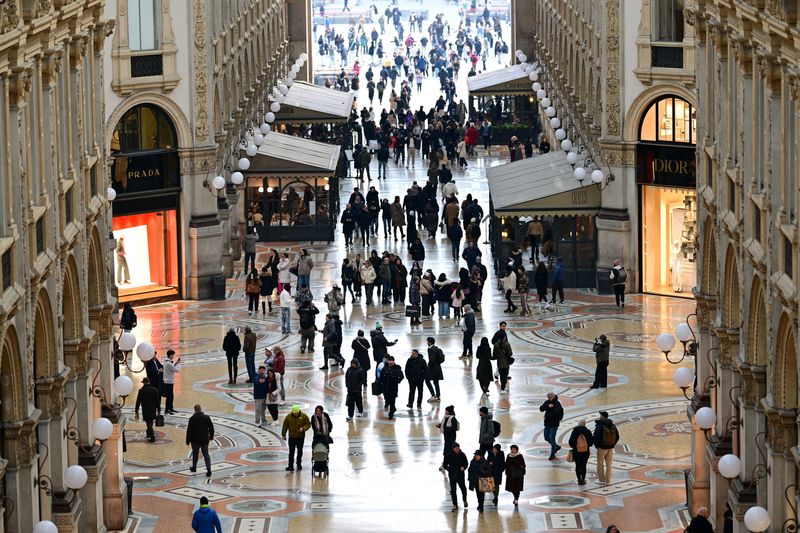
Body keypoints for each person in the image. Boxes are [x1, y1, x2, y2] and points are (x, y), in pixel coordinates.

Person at [186, 404, 214, 477]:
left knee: (195, 454)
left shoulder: (192, 419)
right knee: (206, 454)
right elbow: (211, 428)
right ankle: (209, 470)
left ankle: (194, 468)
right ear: (200, 409)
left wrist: (188, 440)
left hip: (195, 440)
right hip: (204, 439)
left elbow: (189, 431)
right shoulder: (206, 417)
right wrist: (211, 436)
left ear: (195, 410)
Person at [281, 405, 311, 472]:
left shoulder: (304, 416)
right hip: (292, 437)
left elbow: (308, 424)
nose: (296, 414)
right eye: (294, 413)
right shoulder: (288, 416)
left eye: (297, 413)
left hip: (300, 437)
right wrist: (283, 434)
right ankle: (290, 466)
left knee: (299, 451)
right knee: (291, 452)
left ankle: (299, 464)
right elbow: (285, 425)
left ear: (299, 411)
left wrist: (303, 429)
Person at [594, 410, 620, 484]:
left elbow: (596, 437)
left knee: (600, 463)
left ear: (602, 416)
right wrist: (612, 444)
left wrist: (597, 446)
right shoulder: (613, 425)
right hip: (611, 447)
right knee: (609, 464)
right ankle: (608, 480)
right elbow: (617, 436)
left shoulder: (599, 426)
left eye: (600, 415)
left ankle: (601, 480)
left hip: (602, 448)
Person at [443, 442, 469, 511]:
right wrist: (449, 470)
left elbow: (466, 463)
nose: (457, 449)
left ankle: (464, 500)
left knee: (463, 488)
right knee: (453, 491)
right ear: (453, 449)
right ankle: (455, 505)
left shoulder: (462, 455)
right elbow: (445, 465)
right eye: (455, 448)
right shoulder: (448, 455)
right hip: (452, 475)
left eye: (458, 447)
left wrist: (464, 467)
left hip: (460, 475)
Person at [567, 419, 594, 485]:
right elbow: (591, 443)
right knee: (584, 465)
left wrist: (576, 446)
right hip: (585, 451)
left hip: (576, 451)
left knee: (578, 465)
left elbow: (571, 443)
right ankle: (583, 479)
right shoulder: (588, 431)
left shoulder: (575, 431)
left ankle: (579, 479)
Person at [134, 377, 160, 443]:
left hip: (145, 409)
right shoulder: (154, 390)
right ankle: (148, 432)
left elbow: (138, 402)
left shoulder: (141, 391)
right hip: (153, 409)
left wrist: (136, 410)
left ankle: (152, 437)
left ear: (143, 383)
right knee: (150, 422)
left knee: (148, 422)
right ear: (149, 382)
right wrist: (159, 410)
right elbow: (157, 401)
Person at [539, 392, 564, 460]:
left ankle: (552, 454)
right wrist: (547, 406)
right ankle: (556, 446)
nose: (548, 399)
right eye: (548, 397)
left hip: (554, 424)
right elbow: (541, 409)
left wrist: (547, 415)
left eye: (549, 397)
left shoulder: (557, 403)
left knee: (552, 438)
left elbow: (556, 413)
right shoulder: (547, 402)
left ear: (552, 397)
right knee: (546, 437)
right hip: (547, 423)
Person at [492, 322, 513, 394]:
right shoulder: (505, 343)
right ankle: (502, 384)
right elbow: (510, 353)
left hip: (500, 359)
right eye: (503, 326)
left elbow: (494, 355)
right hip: (505, 359)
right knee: (504, 371)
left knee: (501, 369)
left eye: (505, 326)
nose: (504, 327)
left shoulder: (497, 345)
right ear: (500, 326)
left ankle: (499, 376)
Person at [425, 337, 444, 402]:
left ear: (430, 342)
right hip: (438, 367)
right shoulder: (436, 348)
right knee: (436, 382)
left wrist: (429, 365)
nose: (427, 343)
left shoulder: (431, 349)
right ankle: (438, 396)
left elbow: (432, 359)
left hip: (432, 368)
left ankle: (433, 395)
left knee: (427, 380)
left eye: (427, 342)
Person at [162, 350, 181, 415]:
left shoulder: (166, 361)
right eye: (173, 355)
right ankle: (167, 410)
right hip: (168, 382)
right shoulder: (168, 363)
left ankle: (170, 408)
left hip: (168, 381)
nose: (173, 356)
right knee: (169, 396)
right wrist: (179, 364)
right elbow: (177, 370)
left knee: (171, 396)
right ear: (170, 355)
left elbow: (172, 367)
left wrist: (176, 363)